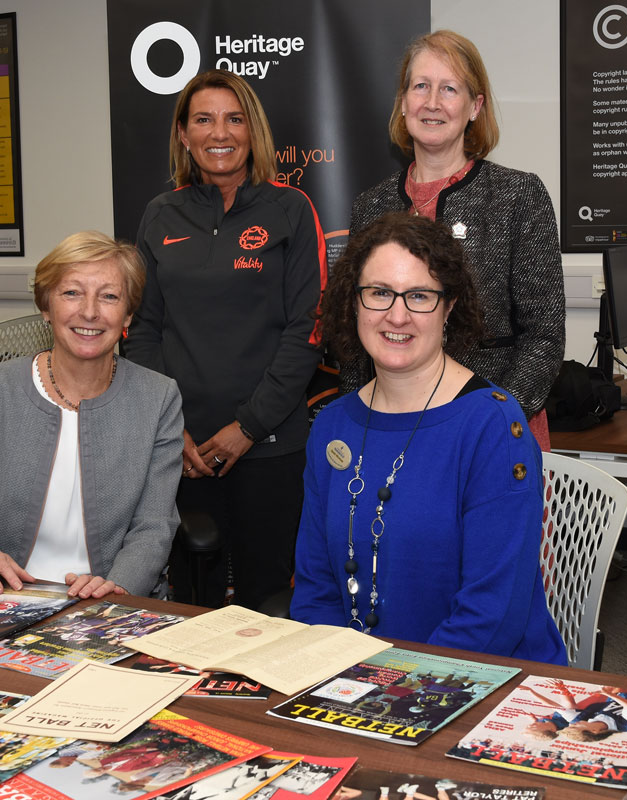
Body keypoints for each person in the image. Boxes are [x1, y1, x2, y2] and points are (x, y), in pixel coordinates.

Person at [291, 213, 566, 665]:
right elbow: (316, 590)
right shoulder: (332, 425)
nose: (396, 316)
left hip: (479, 677)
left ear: (449, 305)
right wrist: (340, 675)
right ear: (354, 303)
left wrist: (396, 686)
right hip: (354, 679)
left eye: (419, 296)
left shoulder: (494, 426)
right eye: (379, 293)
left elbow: (491, 616)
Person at [124, 69, 325, 611]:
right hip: (182, 448)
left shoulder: (291, 210)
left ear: (252, 131)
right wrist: (171, 429)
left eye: (234, 119)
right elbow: (142, 329)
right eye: (204, 120)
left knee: (269, 600)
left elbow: (307, 330)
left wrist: (248, 428)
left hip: (270, 444)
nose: (221, 133)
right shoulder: (160, 214)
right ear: (184, 136)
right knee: (191, 600)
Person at [0, 231, 184, 600]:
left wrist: (118, 586)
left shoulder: (158, 398)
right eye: (71, 293)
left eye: (110, 296)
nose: (89, 311)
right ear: (46, 306)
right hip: (6, 595)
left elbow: (154, 526)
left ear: (128, 314)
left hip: (112, 600)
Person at [345, 30, 565, 446]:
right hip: (390, 428)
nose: (432, 102)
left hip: (494, 430)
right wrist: (356, 420)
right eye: (420, 87)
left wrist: (495, 417)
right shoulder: (370, 207)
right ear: (404, 101)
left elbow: (545, 335)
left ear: (474, 106)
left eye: (449, 89)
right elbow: (355, 334)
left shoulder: (518, 196)